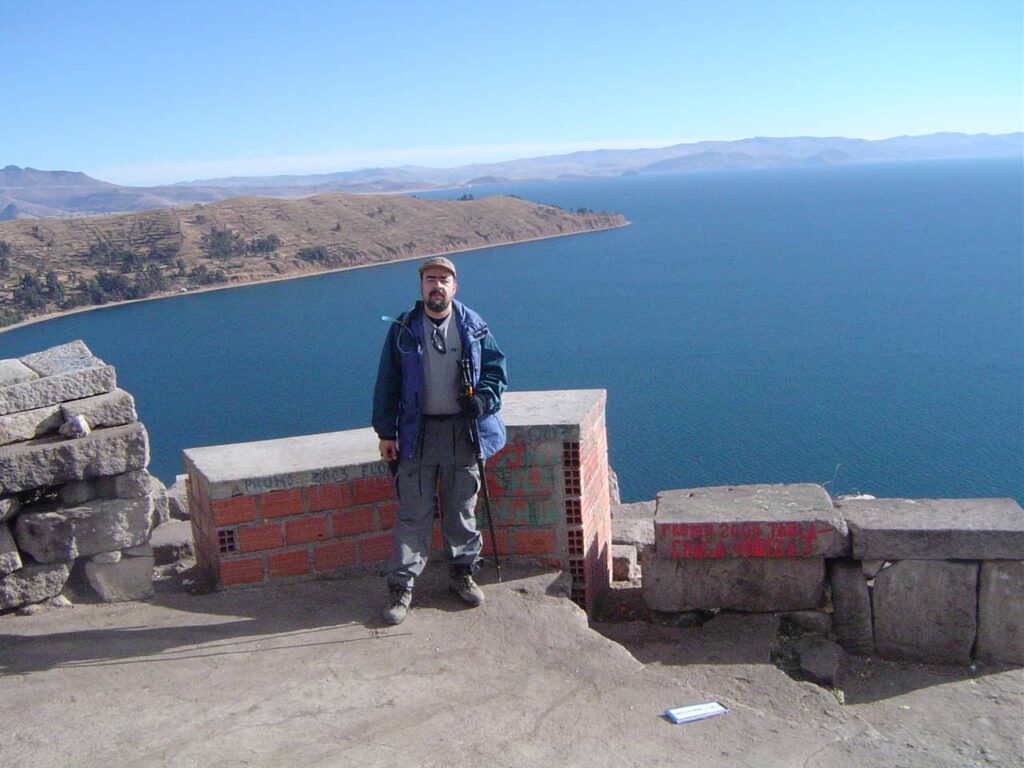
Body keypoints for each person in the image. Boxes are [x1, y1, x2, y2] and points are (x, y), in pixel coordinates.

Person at [372, 256, 508, 625]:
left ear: (454, 286)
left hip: (463, 433)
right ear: (421, 287)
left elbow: (496, 371)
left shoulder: (474, 326)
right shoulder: (403, 328)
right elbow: (387, 383)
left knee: (461, 506)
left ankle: (461, 574)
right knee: (413, 511)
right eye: (431, 279)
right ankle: (402, 586)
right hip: (417, 433)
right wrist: (386, 432)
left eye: (444, 279)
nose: (437, 286)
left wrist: (482, 400)